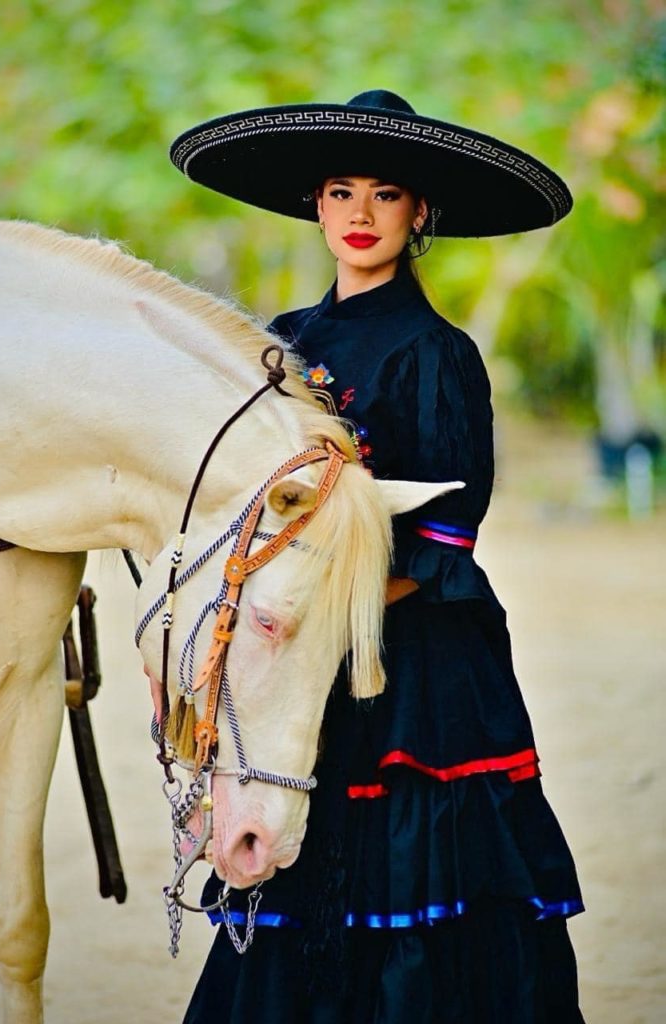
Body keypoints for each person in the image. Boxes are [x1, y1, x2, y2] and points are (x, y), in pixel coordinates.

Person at [169, 90, 585, 1023]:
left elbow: (446, 540)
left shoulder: (440, 354)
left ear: (420, 213)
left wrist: (321, 615)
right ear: (315, 206)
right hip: (300, 669)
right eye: (341, 191)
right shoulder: (281, 346)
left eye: (386, 194)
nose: (360, 215)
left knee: (412, 902)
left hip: (415, 672)